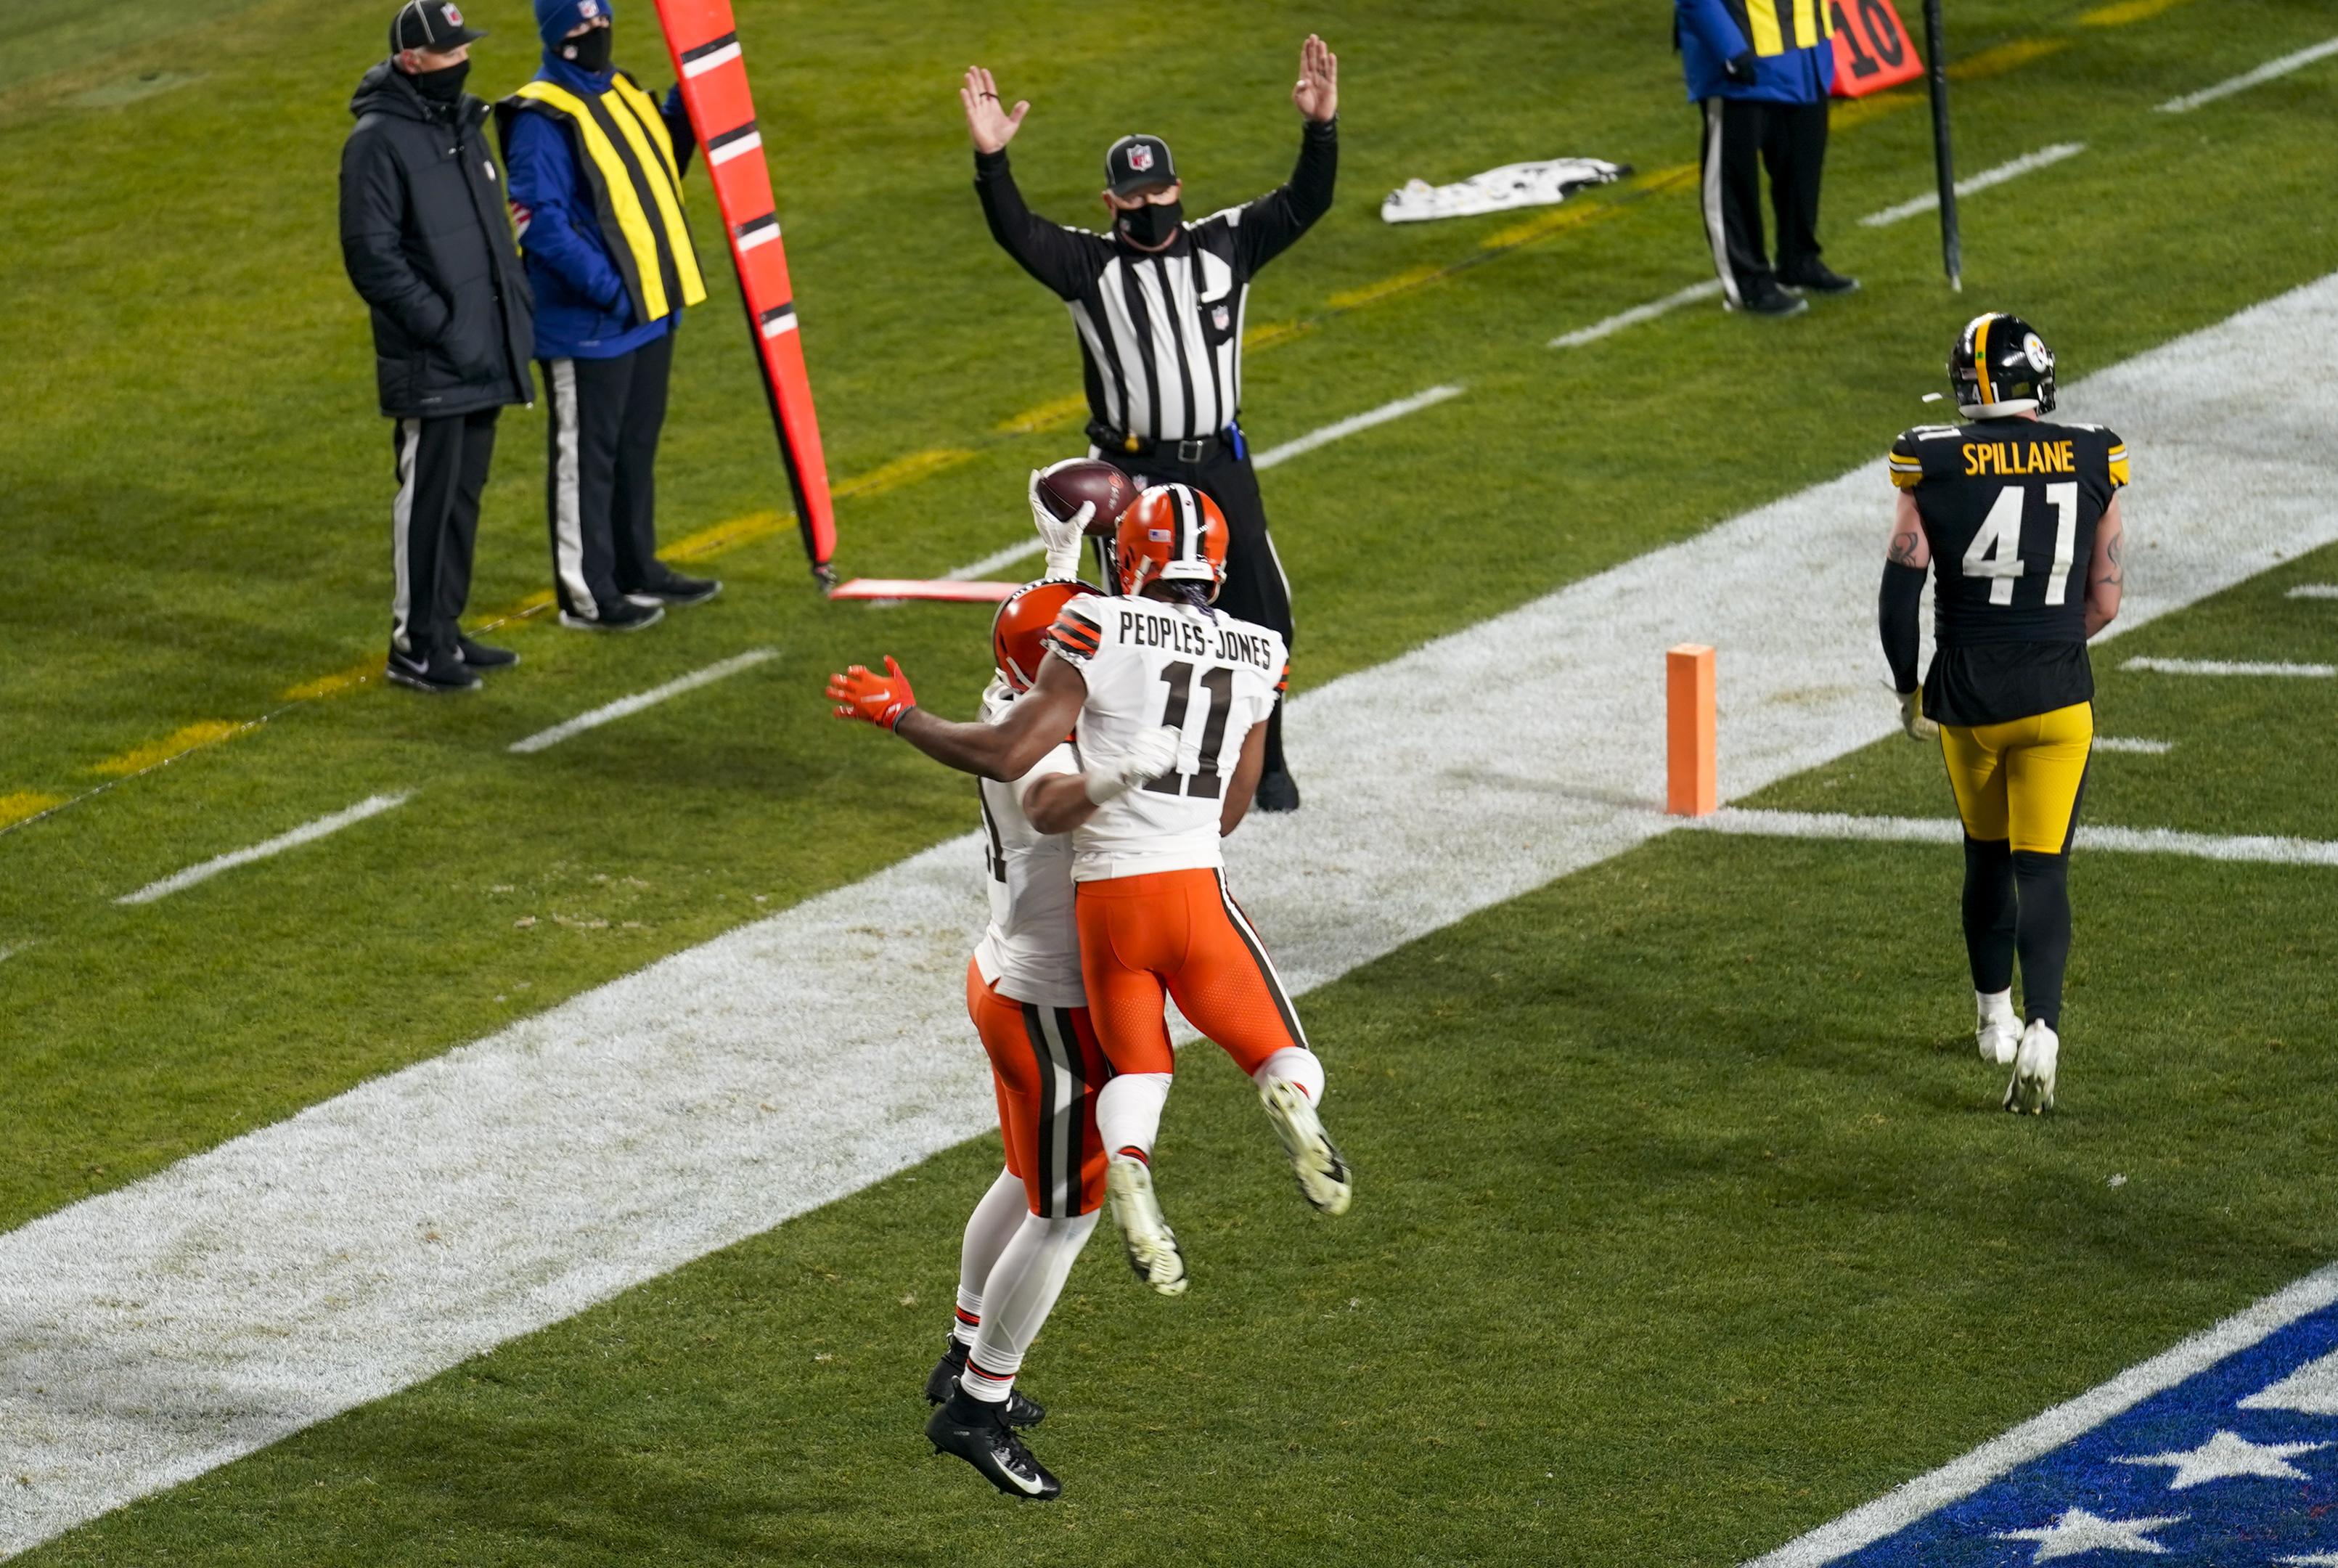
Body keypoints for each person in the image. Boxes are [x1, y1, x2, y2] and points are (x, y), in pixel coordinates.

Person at [827, 482, 1351, 1299]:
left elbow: (1044, 695)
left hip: (1093, 920)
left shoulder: (1076, 647)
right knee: (1268, 1051)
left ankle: (1132, 1170)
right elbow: (1212, 803)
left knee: (1132, 1077)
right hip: (1143, 919)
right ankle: (1285, 1093)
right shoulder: (1261, 647)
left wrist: (902, 712)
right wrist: (1127, 776)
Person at [958, 35, 1341, 813]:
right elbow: (1016, 232)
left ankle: (1264, 764)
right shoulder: (1086, 266)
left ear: (1178, 188)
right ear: (1109, 204)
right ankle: (1133, 764)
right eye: (1131, 200)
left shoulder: (1225, 244)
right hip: (1133, 476)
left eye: (1158, 193)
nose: (1147, 208)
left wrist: (1320, 128)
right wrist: (992, 162)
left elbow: (1306, 202)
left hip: (1220, 463)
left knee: (1263, 616)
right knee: (1133, 628)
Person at [917, 489, 1117, 1502]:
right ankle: (979, 1404)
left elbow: (1046, 623)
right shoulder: (1049, 754)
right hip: (1050, 1001)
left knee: (1022, 1173)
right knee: (1070, 1208)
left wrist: (1065, 548)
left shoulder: (1014, 696)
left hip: (1002, 973)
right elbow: (1062, 785)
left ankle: (961, 1348)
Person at [1879, 313, 2127, 1114]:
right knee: (2042, 868)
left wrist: (1905, 685)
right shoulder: (2093, 450)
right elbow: (2106, 599)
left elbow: (1899, 590)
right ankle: (2044, 1025)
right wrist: (2048, 641)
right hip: (2058, 696)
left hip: (1969, 698)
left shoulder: (1930, 458)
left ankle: (1994, 1021)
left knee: (1986, 858)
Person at [496, 0, 718, 634]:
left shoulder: (617, 87)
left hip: (647, 313)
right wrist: (613, 292)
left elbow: (652, 167)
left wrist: (689, 101)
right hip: (590, 323)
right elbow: (539, 223)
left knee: (633, 450)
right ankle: (586, 595)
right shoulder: (540, 116)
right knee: (585, 462)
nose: (594, 32)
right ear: (553, 34)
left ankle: (634, 566)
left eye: (600, 19)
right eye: (579, 25)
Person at [340, 0, 536, 694]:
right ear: (409, 60)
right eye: (449, 53)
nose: (462, 61)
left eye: (464, 50)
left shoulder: (460, 125)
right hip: (436, 357)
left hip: (482, 350)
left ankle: (445, 628)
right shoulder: (377, 141)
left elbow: (492, 237)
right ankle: (415, 645)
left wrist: (506, 323)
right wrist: (446, 327)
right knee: (426, 500)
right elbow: (372, 257)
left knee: (461, 499)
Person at [1675, 0, 1857, 316]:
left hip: (1807, 56)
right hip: (1742, 63)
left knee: (1802, 168)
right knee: (1734, 183)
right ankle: (1748, 283)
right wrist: (1728, 48)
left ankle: (1799, 260)